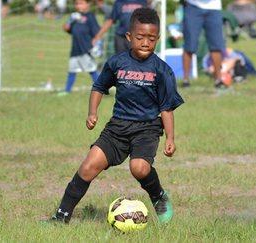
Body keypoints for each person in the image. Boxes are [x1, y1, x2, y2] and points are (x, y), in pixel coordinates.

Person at [49, 8, 184, 224]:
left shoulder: (162, 71)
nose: (145, 42)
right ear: (129, 37)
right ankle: (61, 216)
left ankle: (158, 195)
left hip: (146, 129)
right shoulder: (117, 62)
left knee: (139, 168)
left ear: (158, 39)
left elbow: (166, 107)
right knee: (88, 166)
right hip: (117, 128)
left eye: (151, 38)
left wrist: (170, 138)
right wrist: (92, 112)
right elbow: (99, 87)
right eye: (140, 37)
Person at [59, 0, 101, 95]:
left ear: (88, 4)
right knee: (72, 71)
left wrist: (97, 46)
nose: (78, 6)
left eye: (81, 3)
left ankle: (102, 89)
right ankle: (67, 91)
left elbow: (97, 33)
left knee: (92, 71)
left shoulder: (90, 17)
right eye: (77, 3)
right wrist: (70, 21)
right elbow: (66, 28)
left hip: (86, 50)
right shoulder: (74, 16)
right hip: (75, 50)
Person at [181, 0, 225, 88]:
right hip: (192, 7)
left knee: (216, 45)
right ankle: (185, 80)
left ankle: (218, 80)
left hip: (214, 8)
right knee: (190, 45)